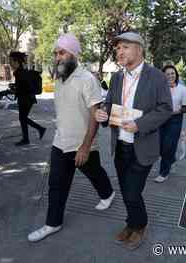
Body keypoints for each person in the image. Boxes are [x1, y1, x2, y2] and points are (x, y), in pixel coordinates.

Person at [27, 33, 115, 242]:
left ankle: (108, 193)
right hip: (60, 142)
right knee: (56, 184)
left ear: (74, 54)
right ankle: (53, 223)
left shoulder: (87, 79)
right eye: (56, 53)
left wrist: (85, 147)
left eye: (62, 52)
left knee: (94, 172)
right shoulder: (60, 78)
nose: (58, 57)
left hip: (82, 143)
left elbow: (95, 115)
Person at [95, 31, 172, 250]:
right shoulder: (117, 77)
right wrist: (102, 113)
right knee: (127, 190)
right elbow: (108, 104)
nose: (120, 52)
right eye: (118, 48)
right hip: (120, 145)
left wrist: (141, 124)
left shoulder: (156, 76)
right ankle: (131, 223)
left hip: (143, 146)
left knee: (131, 191)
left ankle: (140, 226)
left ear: (139, 49)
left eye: (125, 47)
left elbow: (166, 108)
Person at [154, 65, 186, 183]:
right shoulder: (159, 88)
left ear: (176, 75)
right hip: (161, 120)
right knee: (159, 146)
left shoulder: (182, 89)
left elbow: (185, 108)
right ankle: (171, 160)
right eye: (167, 74)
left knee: (168, 145)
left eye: (172, 73)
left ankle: (164, 172)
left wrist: (173, 112)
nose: (170, 76)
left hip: (175, 120)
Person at [9, 51, 46, 146]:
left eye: (11, 61)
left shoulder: (19, 72)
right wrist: (15, 87)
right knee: (23, 118)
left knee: (23, 118)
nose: (10, 63)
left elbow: (23, 87)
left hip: (25, 99)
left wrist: (14, 89)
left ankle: (35, 132)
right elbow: (23, 85)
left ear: (17, 62)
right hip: (28, 98)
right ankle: (29, 136)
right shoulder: (21, 71)